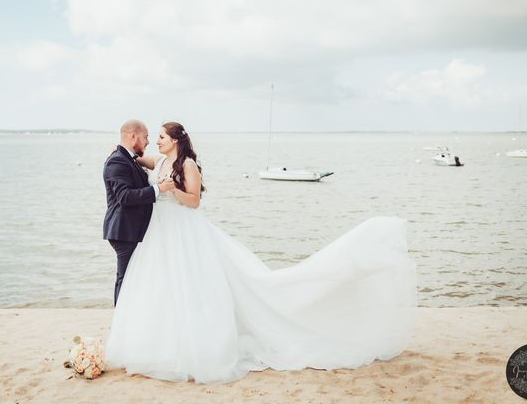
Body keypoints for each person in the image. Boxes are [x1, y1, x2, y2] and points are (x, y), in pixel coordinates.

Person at [105, 122, 417, 384]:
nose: (154, 141)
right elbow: (136, 162)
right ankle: (160, 341)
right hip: (161, 232)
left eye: (159, 137)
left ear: (174, 141)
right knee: (160, 285)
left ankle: (198, 343)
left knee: (193, 283)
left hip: (184, 229)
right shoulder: (158, 162)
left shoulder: (186, 165)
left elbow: (195, 201)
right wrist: (120, 156)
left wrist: (172, 191)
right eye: (151, 136)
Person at [102, 119, 175, 306]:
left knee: (134, 278)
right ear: (133, 136)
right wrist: (159, 189)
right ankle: (120, 321)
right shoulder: (117, 160)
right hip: (125, 230)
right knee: (126, 279)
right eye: (145, 137)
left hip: (134, 229)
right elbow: (124, 196)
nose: (148, 141)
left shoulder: (128, 158)